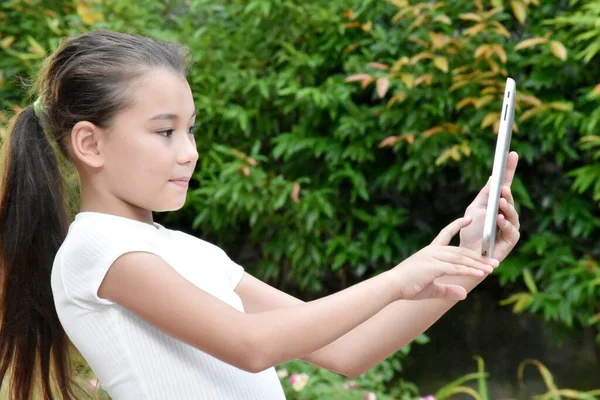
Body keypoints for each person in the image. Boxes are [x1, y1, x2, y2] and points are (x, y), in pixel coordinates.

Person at [0, 30, 520, 400]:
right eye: (165, 131)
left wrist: (467, 259)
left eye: (191, 129)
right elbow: (252, 346)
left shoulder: (189, 251)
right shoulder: (99, 249)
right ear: (90, 143)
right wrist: (398, 278)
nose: (189, 152)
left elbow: (346, 350)